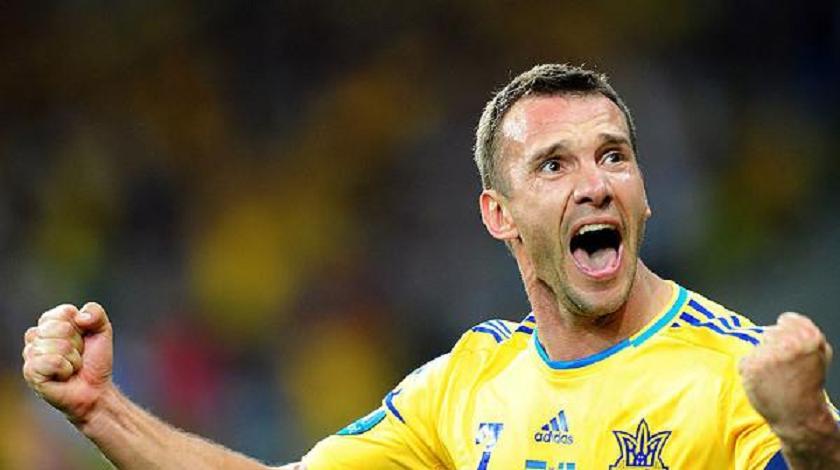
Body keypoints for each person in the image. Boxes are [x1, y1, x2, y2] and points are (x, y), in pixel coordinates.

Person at [21, 64, 840, 469]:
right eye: (554, 165)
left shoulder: (732, 372)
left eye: (614, 156)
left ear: (644, 194)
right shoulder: (467, 383)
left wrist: (807, 431)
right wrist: (99, 409)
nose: (595, 183)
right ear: (499, 215)